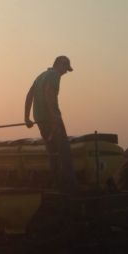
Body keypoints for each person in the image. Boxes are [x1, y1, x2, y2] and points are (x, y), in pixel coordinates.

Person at [24, 55, 79, 192]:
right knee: (64, 150)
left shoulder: (41, 75)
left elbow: (29, 95)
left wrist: (26, 117)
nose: (65, 72)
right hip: (50, 119)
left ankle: (57, 183)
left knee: (53, 152)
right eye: (65, 68)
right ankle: (70, 186)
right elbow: (49, 94)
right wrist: (55, 119)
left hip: (40, 119)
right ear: (59, 64)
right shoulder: (54, 75)